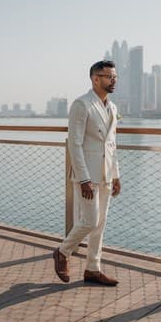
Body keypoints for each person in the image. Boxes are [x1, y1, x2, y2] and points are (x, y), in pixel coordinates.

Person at [53, 60, 121, 286]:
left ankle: (93, 268)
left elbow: (112, 144)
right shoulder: (81, 105)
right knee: (90, 221)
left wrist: (116, 175)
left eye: (115, 77)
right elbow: (75, 144)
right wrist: (83, 179)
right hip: (87, 176)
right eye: (109, 77)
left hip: (105, 173)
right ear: (95, 79)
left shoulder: (112, 107)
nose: (114, 81)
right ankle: (63, 252)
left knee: (100, 224)